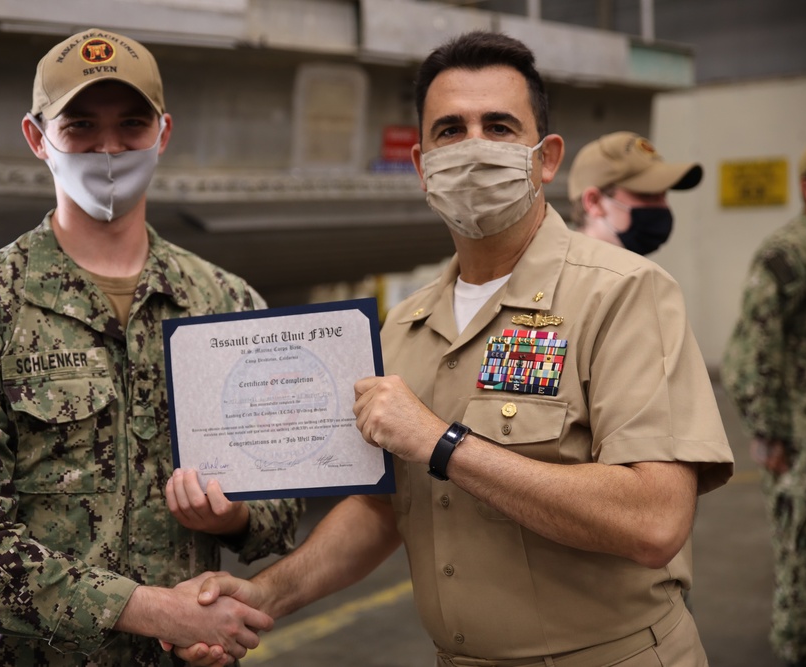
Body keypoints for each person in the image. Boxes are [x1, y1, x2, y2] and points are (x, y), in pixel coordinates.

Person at [172, 30, 734, 667]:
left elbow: (655, 521)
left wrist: (444, 444)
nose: (473, 148)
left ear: (545, 158)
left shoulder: (624, 295)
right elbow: (382, 508)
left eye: (498, 126)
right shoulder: (405, 326)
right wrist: (261, 596)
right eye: (449, 130)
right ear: (421, 166)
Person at [0, 28, 303, 667]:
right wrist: (153, 610)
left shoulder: (226, 304)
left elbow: (285, 499)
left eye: (132, 125)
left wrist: (232, 520)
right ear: (37, 138)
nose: (109, 148)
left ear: (163, 133)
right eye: (81, 125)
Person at [721, 145, 806, 667]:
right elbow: (749, 354)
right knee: (800, 567)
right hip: (800, 443)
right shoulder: (789, 254)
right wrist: (770, 432)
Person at [567, 130, 703, 255]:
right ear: (594, 202)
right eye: (647, 195)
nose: (663, 206)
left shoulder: (638, 277)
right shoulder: (564, 278)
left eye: (663, 194)